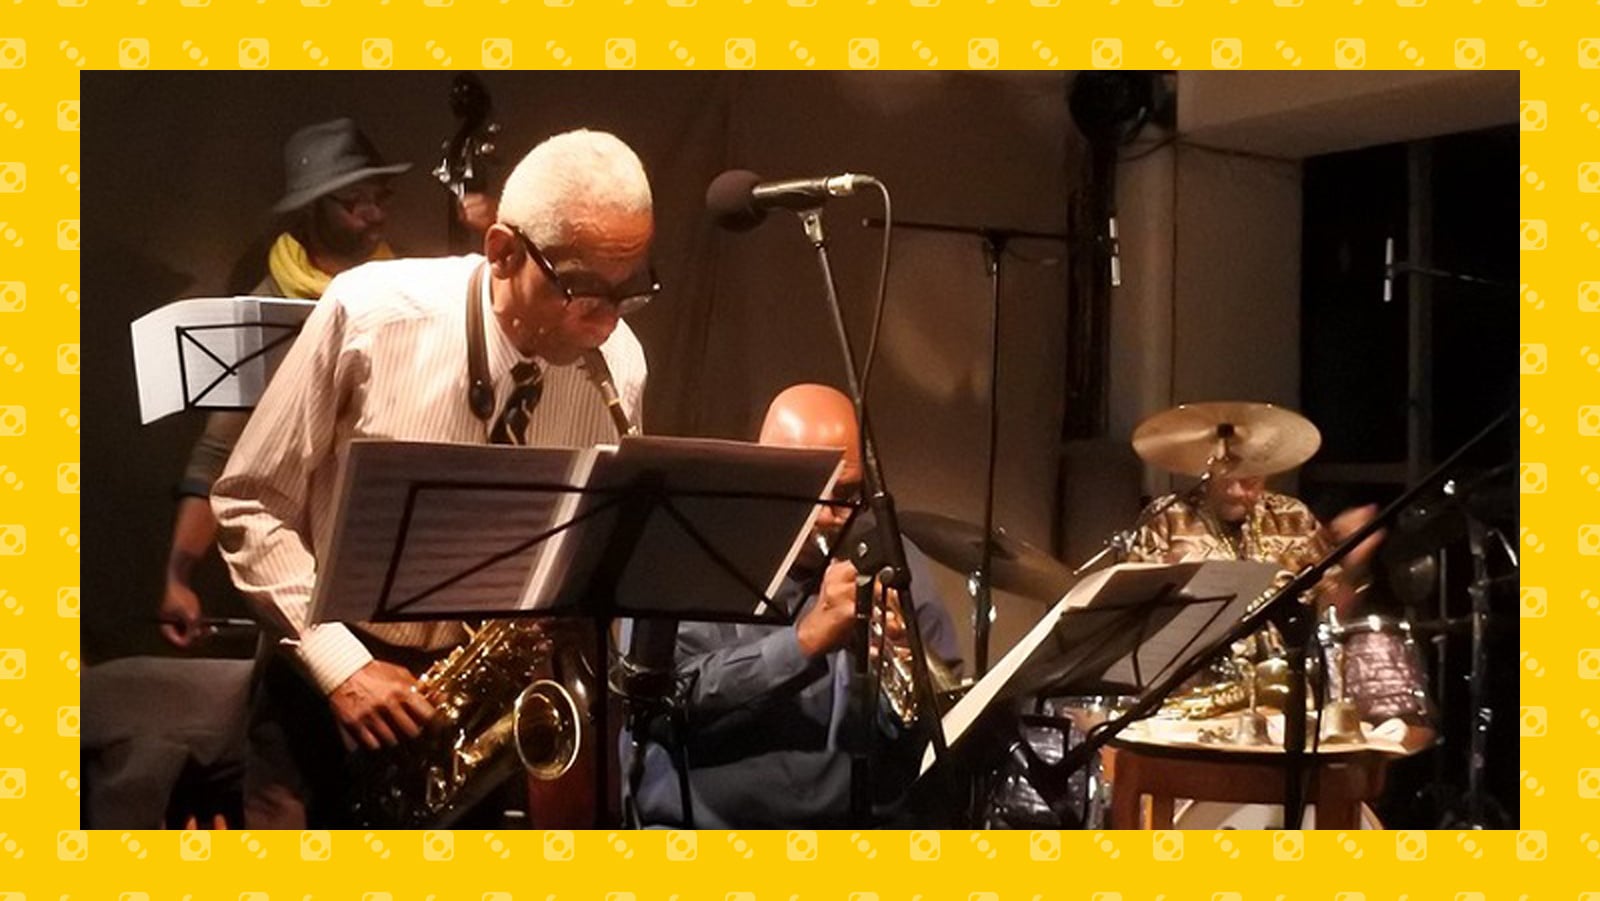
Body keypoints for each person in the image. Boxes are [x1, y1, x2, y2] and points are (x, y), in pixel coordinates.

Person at [210, 128, 656, 826]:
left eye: (631, 290)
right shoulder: (370, 316)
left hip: (467, 709)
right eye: (584, 291)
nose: (607, 322)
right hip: (321, 691)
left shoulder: (619, 362)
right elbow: (249, 503)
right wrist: (341, 664)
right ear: (502, 251)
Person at [161, 117, 493, 648]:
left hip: (384, 560)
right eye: (355, 202)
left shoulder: (406, 292)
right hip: (291, 567)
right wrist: (179, 575)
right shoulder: (267, 307)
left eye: (379, 198)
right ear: (311, 209)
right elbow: (218, 453)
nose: (375, 214)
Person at [624, 383, 962, 828]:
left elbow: (937, 730)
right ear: (759, 473)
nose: (827, 516)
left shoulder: (895, 562)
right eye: (810, 489)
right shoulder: (685, 554)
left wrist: (899, 667)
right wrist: (803, 642)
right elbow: (660, 706)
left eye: (846, 494)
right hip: (711, 838)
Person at [1127, 473, 1383, 617]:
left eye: (1248, 481)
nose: (1236, 492)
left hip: (1281, 682)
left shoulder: (1293, 517)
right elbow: (1130, 620)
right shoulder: (1169, 517)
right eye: (1226, 479)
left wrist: (1353, 566)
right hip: (1192, 685)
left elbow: (1331, 619)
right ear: (1210, 470)